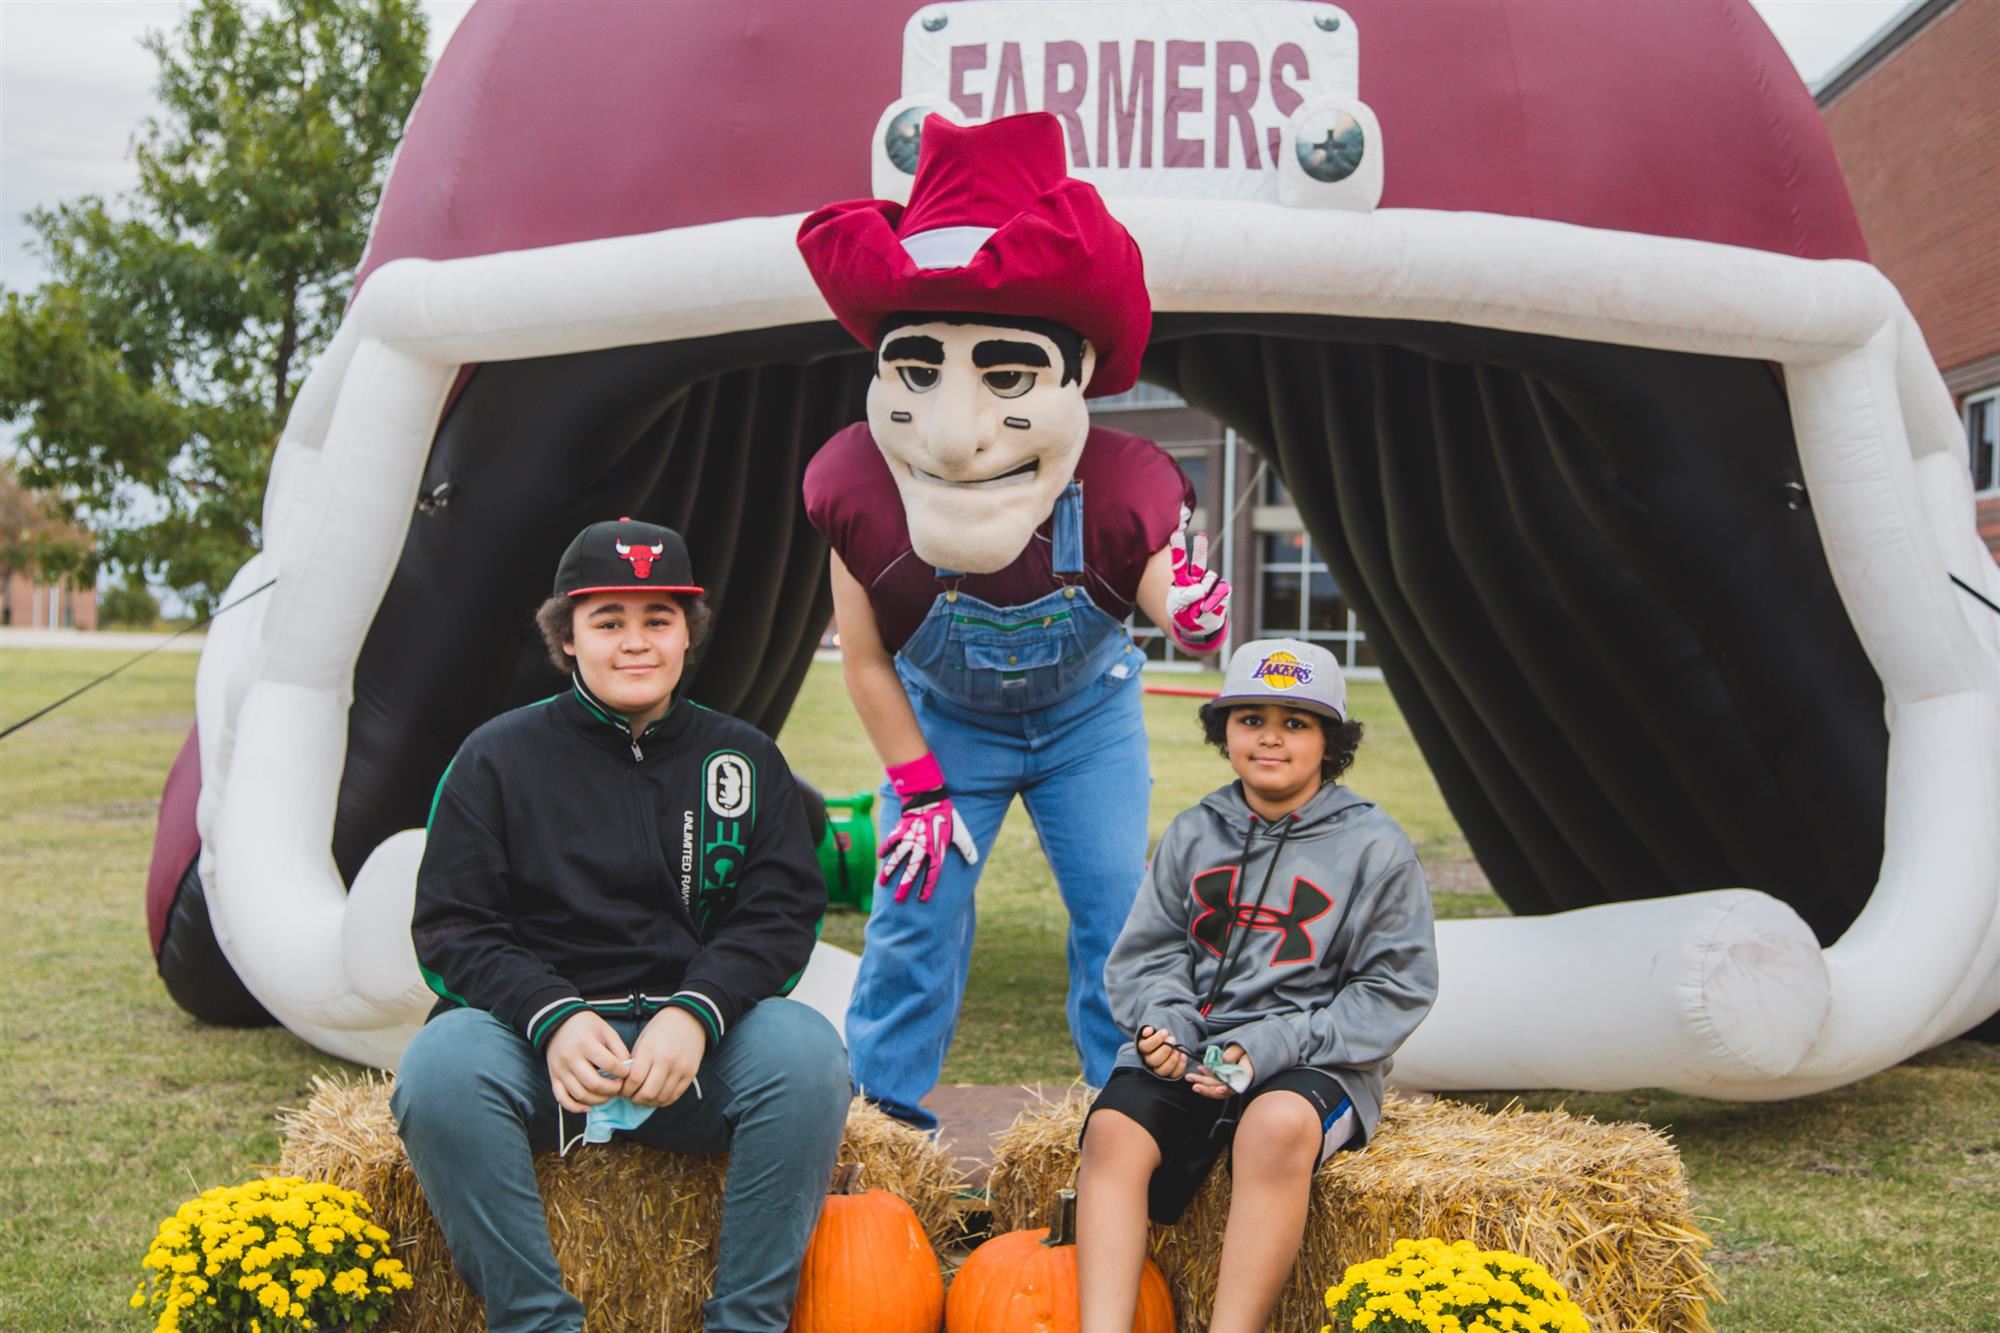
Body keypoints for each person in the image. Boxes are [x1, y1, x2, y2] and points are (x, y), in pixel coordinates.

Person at [797, 111, 1231, 1131]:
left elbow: (1162, 581)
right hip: (943, 727)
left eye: (1004, 373)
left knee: (1116, 914)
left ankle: (1127, 1112)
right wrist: (916, 782)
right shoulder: (855, 490)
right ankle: (879, 1118)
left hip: (1088, 724)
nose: (956, 433)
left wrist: (1193, 610)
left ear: (1074, 371)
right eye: (918, 368)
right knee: (914, 909)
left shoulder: (1124, 484)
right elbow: (863, 660)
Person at [391, 517, 851, 1333]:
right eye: (609, 622)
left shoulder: (744, 761)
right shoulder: (494, 758)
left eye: (658, 620)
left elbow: (779, 914)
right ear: (566, 636)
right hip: (544, 1058)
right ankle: (537, 1321)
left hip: (695, 1056)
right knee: (439, 1066)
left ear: (688, 634)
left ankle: (745, 1323)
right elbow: (454, 927)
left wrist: (697, 1010)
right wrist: (553, 1016)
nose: (635, 643)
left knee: (807, 1052)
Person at [1075, 639, 1440, 1333]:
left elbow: (1395, 986)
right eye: (1250, 718)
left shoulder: (1375, 848)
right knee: (1113, 1133)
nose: (1271, 736)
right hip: (1197, 1044)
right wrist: (1166, 1029)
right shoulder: (1193, 832)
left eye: (1296, 722)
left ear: (1331, 740)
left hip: (1314, 1057)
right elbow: (1149, 955)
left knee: (1273, 1128)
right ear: (1224, 731)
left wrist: (1268, 1045)